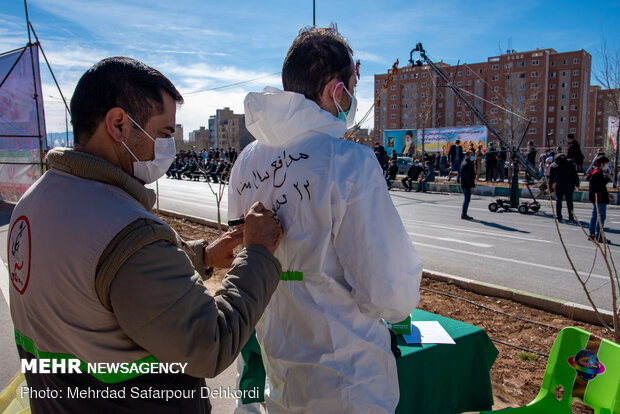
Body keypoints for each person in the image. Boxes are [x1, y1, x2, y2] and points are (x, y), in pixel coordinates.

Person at [7, 57, 283, 413]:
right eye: (166, 133)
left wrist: (200, 257)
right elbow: (209, 345)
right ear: (119, 124)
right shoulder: (128, 232)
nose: (171, 147)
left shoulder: (32, 202)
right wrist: (257, 253)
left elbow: (103, 279)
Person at [228, 26, 422, 414]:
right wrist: (400, 310)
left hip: (279, 366)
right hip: (349, 380)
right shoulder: (349, 163)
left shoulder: (247, 162)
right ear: (338, 91)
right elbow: (389, 289)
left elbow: (245, 256)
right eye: (353, 84)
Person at [587, 156, 612, 242]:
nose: (607, 165)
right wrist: (608, 178)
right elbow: (600, 186)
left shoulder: (594, 171)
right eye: (606, 164)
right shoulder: (598, 173)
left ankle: (592, 233)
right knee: (601, 216)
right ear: (602, 164)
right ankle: (599, 235)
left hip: (595, 196)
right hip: (599, 197)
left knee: (594, 215)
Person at [549, 153, 579, 221]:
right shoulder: (569, 163)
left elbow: (551, 179)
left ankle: (558, 215)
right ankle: (571, 216)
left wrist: (550, 188)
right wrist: (577, 184)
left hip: (558, 185)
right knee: (569, 201)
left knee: (558, 201)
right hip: (569, 185)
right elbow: (574, 174)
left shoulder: (553, 165)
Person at [460, 150, 476, 220]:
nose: (472, 156)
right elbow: (468, 177)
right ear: (467, 155)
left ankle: (464, 214)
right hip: (466, 185)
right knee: (467, 200)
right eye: (470, 155)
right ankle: (464, 214)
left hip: (465, 184)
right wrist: (471, 186)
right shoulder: (467, 164)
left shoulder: (467, 163)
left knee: (467, 200)